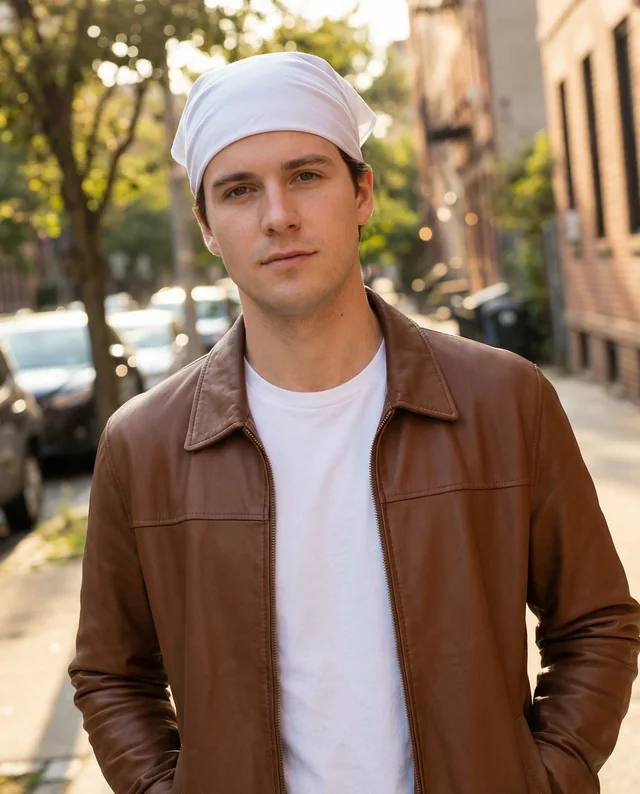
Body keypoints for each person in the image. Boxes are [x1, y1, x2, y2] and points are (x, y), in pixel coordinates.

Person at [69, 52, 640, 794]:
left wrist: (547, 778)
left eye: (305, 175)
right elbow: (112, 673)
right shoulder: (143, 446)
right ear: (208, 227)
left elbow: (596, 622)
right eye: (240, 191)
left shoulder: (504, 399)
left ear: (362, 192)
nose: (279, 214)